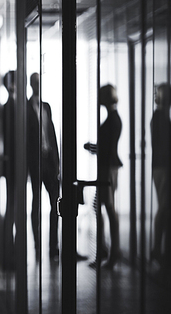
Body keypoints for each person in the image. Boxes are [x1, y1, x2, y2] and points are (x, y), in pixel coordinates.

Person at [85, 84, 122, 269]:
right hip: (107, 167)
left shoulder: (113, 120)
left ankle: (110, 252)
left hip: (107, 168)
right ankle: (107, 251)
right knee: (103, 207)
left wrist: (92, 147)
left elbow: (106, 149)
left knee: (106, 207)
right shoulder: (114, 119)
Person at [27, 72, 60, 260]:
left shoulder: (46, 106)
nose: (38, 85)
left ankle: (53, 247)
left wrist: (58, 163)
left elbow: (52, 135)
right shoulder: (25, 107)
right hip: (35, 162)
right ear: (31, 85)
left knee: (55, 203)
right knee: (36, 204)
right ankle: (37, 246)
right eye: (35, 82)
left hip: (49, 161)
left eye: (40, 82)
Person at [150, 83, 171, 266]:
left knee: (165, 208)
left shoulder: (161, 116)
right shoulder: (160, 116)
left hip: (161, 167)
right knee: (164, 208)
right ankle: (157, 248)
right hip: (162, 167)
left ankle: (160, 249)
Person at [0, 70, 16, 269]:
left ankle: (12, 252)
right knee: (12, 208)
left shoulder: (19, 106)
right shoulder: (8, 108)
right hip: (14, 166)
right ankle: (10, 253)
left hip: (19, 166)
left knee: (13, 208)